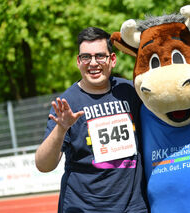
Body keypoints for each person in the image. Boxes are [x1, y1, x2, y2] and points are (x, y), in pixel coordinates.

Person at [35, 27, 149, 213]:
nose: (93, 63)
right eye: (86, 57)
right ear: (79, 62)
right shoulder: (68, 102)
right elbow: (43, 165)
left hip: (133, 206)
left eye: (100, 56)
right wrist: (61, 128)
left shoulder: (131, 92)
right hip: (84, 207)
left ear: (112, 60)